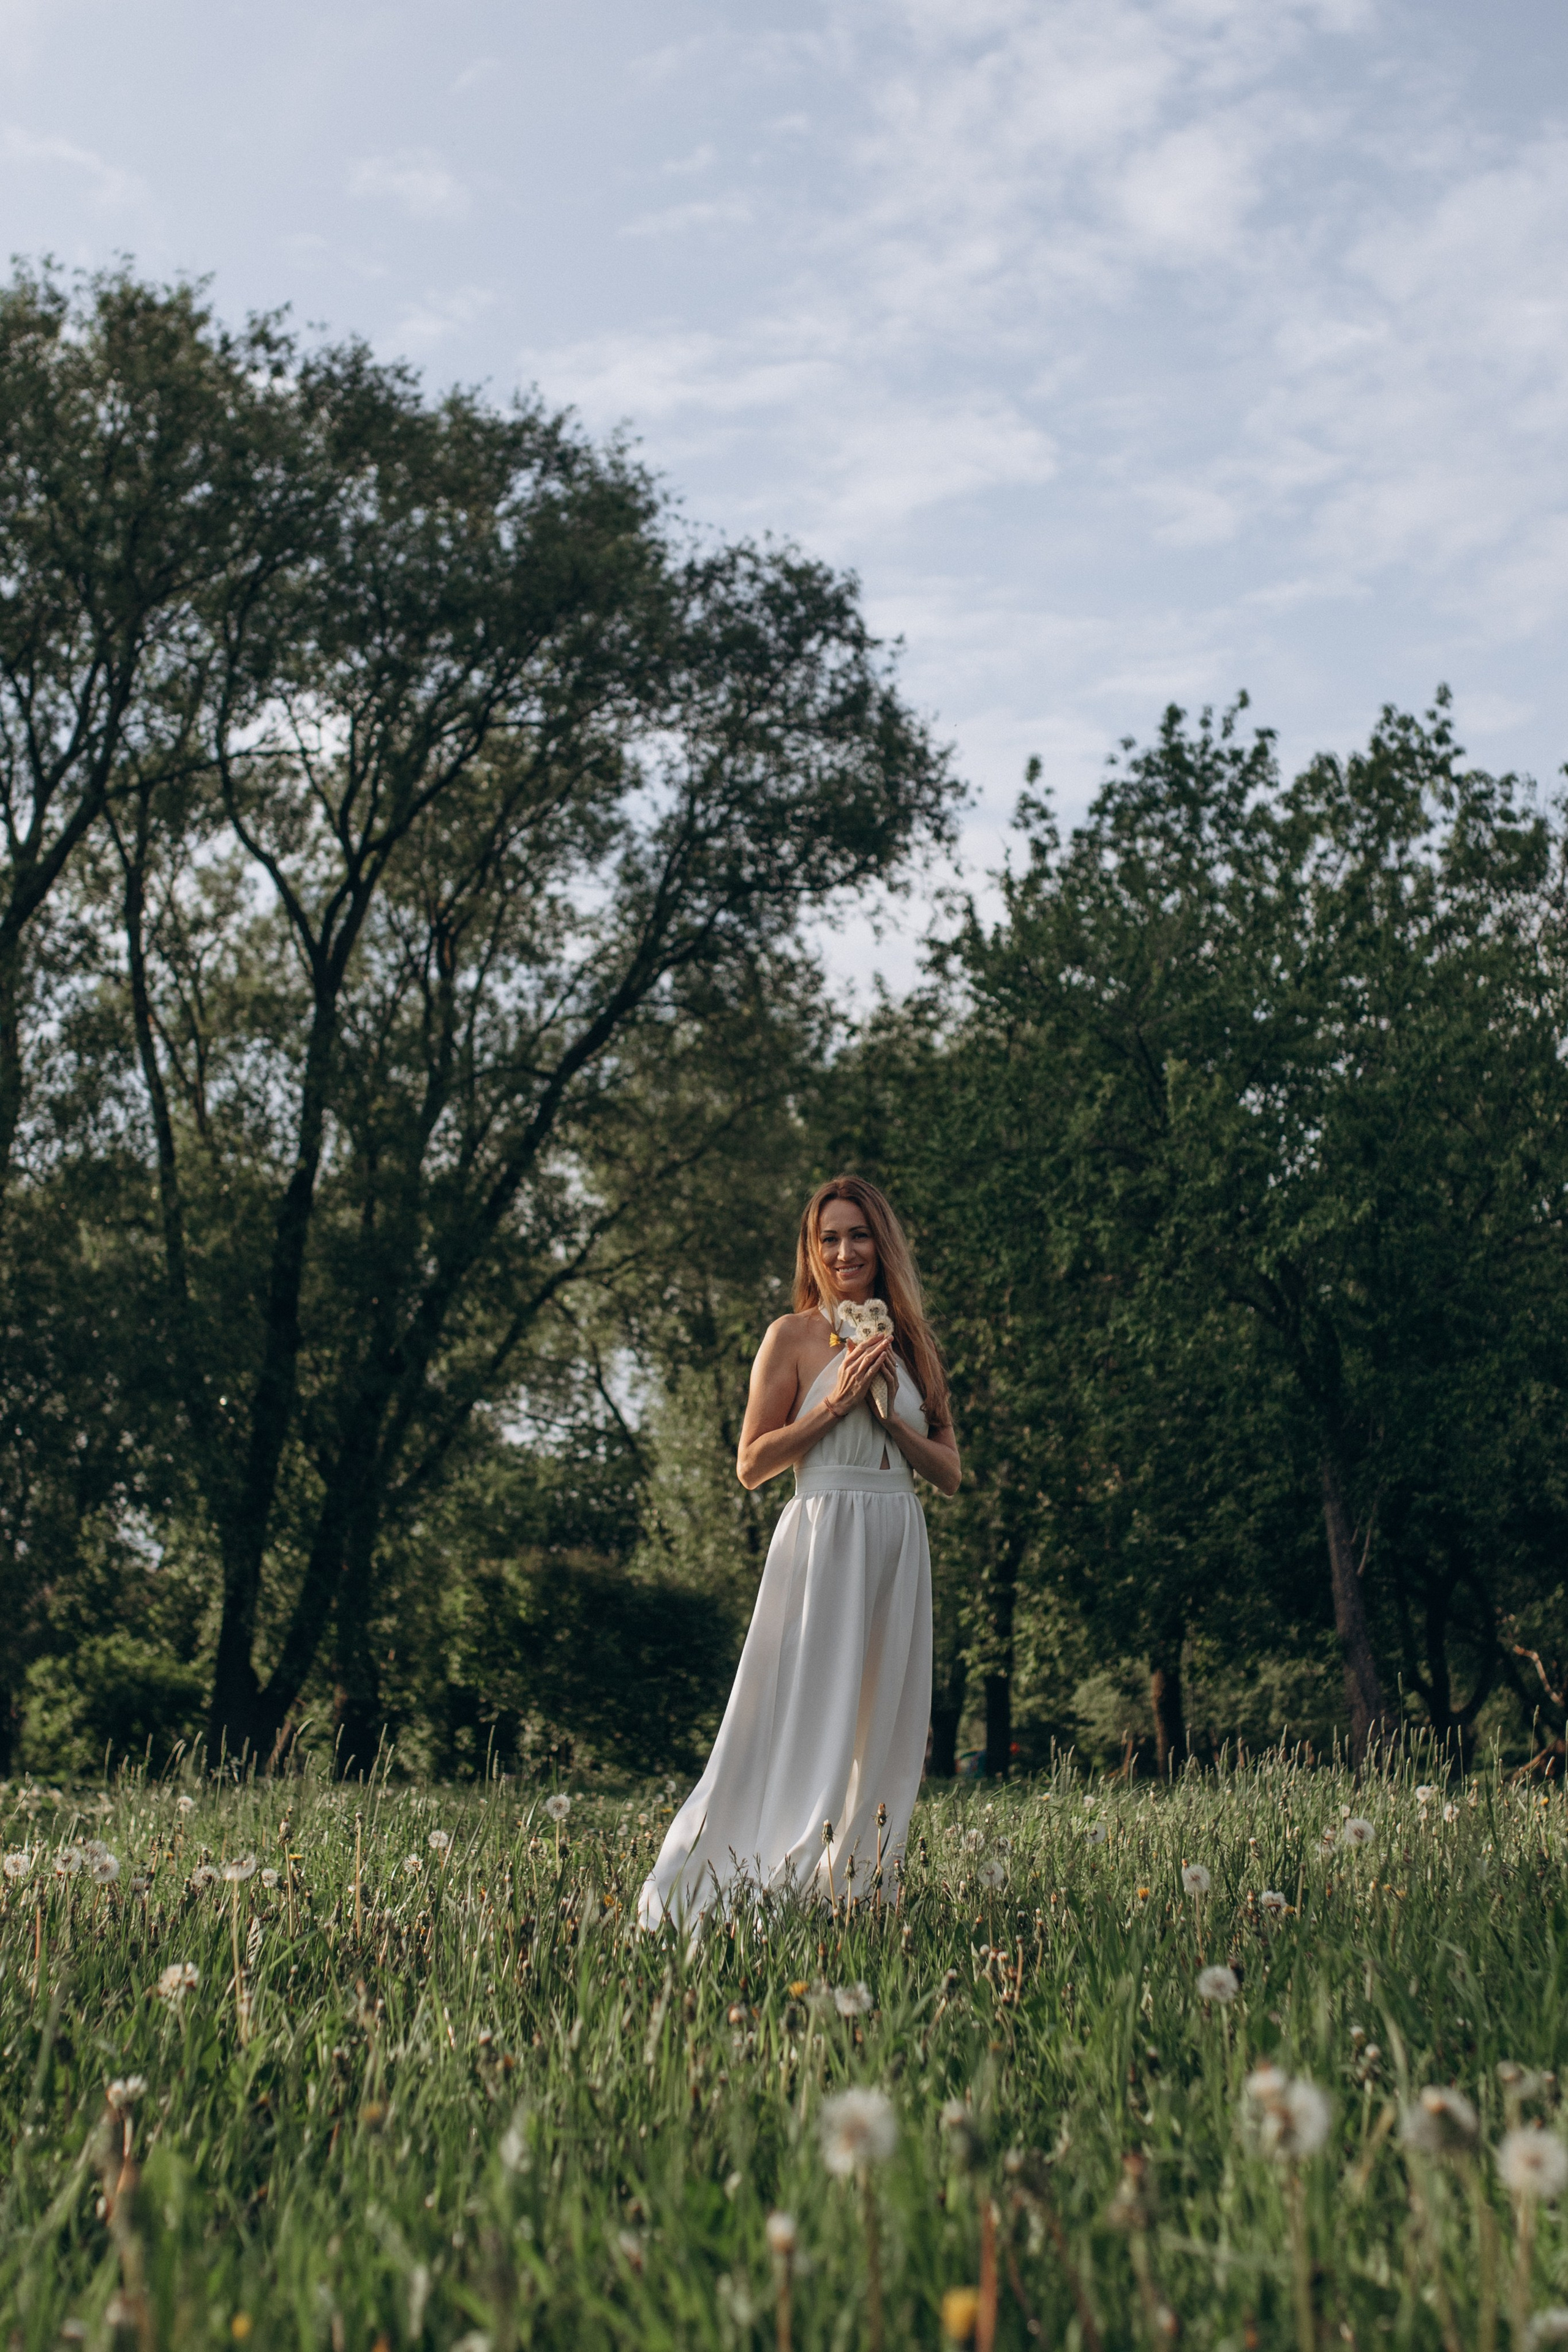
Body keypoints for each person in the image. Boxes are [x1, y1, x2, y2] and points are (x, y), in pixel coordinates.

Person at [638, 1175, 960, 1931]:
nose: (845, 1251)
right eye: (829, 1238)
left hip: (897, 1540)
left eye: (858, 1234)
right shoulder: (789, 1336)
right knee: (806, 1715)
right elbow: (751, 1464)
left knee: (883, 1724)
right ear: (813, 1251)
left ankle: (855, 1892)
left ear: (882, 1243)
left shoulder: (913, 1342)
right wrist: (836, 1405)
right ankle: (747, 1882)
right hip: (824, 1538)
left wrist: (892, 1418)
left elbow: (948, 1473)